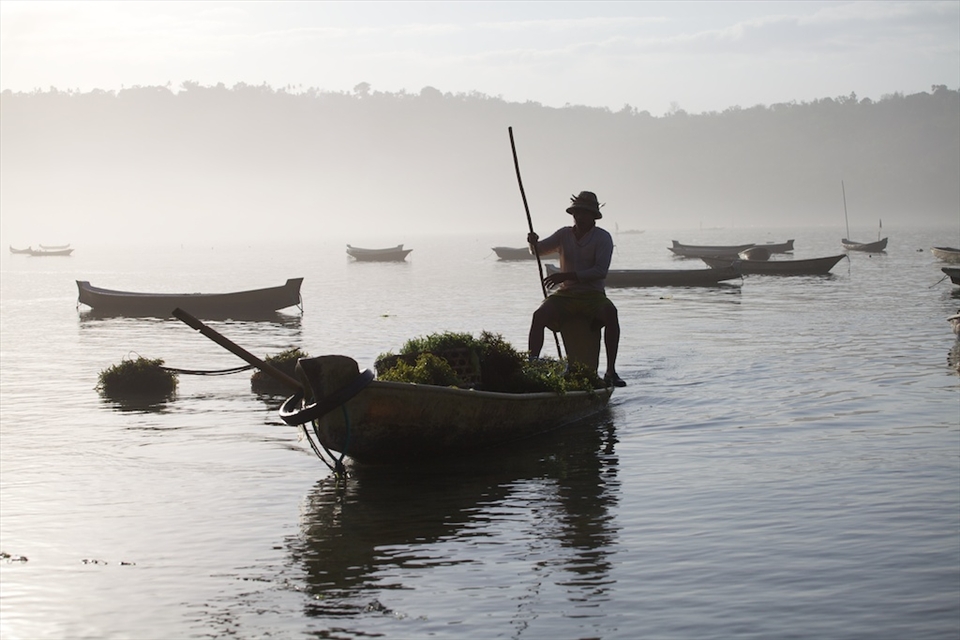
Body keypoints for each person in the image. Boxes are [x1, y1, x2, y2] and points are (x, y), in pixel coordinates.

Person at [527, 190, 626, 387]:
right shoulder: (564, 234)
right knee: (539, 315)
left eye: (584, 213)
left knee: (611, 313)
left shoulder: (603, 238)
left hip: (593, 295)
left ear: (593, 216)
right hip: (567, 295)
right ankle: (531, 365)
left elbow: (600, 271)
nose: (579, 217)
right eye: (576, 213)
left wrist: (565, 275)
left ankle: (611, 371)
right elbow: (538, 251)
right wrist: (532, 242)